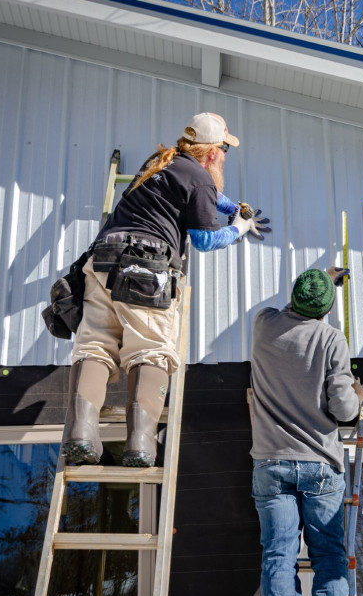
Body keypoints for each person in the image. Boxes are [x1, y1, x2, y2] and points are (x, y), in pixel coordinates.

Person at [62, 112, 270, 468]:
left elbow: (204, 193)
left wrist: (233, 207)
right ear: (212, 154)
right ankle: (140, 444)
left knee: (95, 346)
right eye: (224, 150)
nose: (224, 157)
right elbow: (204, 239)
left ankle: (81, 434)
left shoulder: (160, 162)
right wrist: (238, 227)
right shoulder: (200, 179)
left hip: (102, 260)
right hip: (145, 269)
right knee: (151, 350)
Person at [249, 267, 363, 596]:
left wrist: (320, 287)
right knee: (329, 556)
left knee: (278, 555)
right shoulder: (332, 339)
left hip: (271, 462)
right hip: (319, 463)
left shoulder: (264, 325)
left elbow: (290, 312)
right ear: (327, 309)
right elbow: (344, 409)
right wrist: (356, 393)